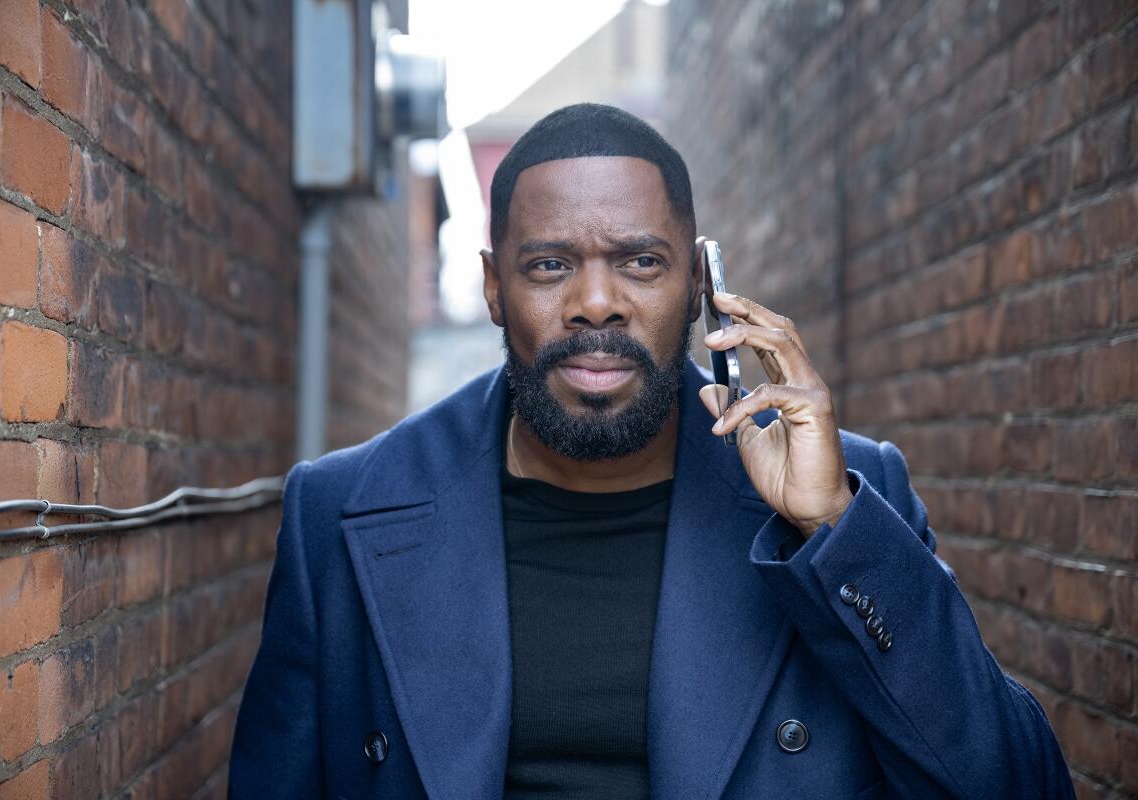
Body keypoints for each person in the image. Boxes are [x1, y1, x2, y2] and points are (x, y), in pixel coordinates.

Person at [228, 103, 1073, 799]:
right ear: (492, 288)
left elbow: (1016, 782)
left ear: (701, 287)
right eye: (550, 264)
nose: (597, 304)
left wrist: (831, 529)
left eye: (640, 261)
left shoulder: (853, 497)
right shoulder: (340, 513)